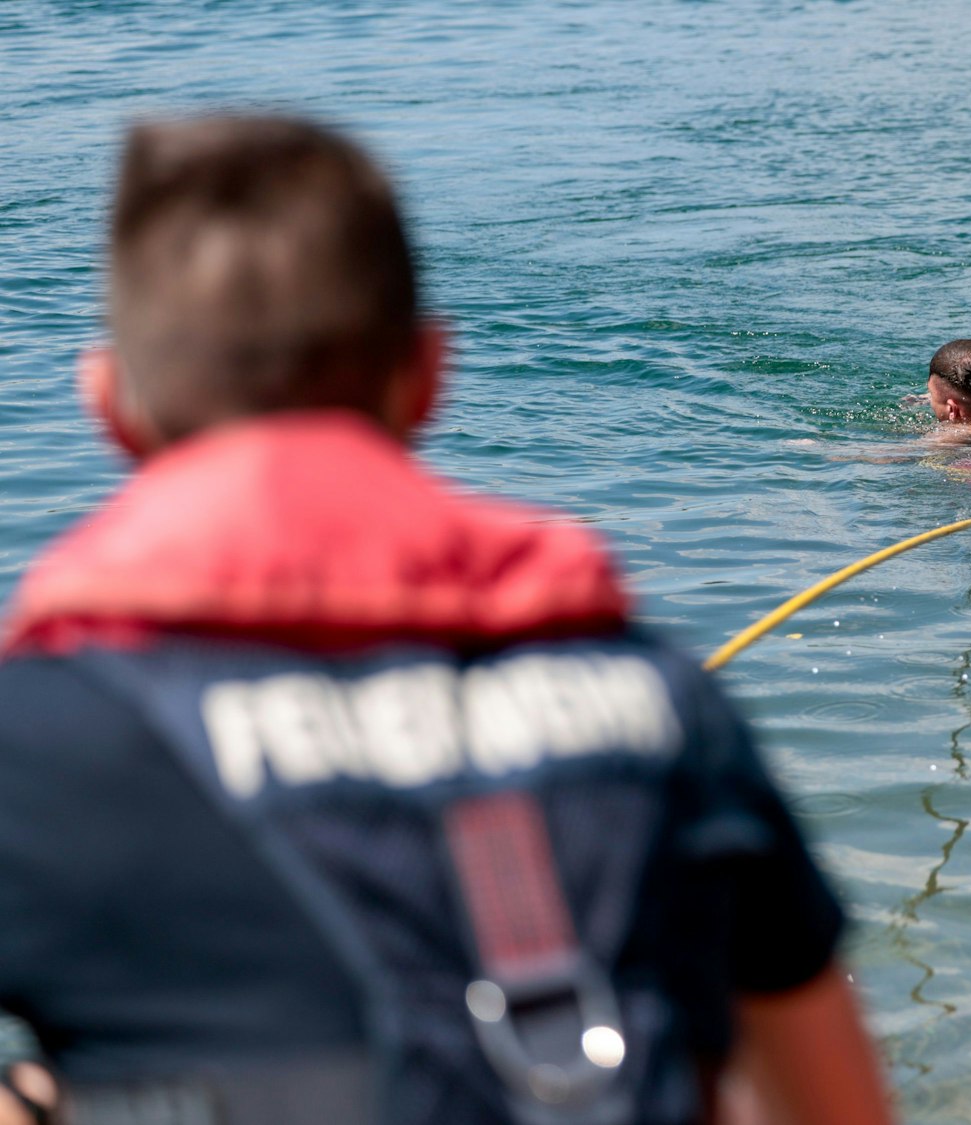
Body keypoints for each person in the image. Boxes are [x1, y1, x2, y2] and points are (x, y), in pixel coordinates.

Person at [0, 115, 893, 1125]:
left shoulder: (38, 742)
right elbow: (839, 1108)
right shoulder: (663, 706)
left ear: (109, 406)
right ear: (429, 374)